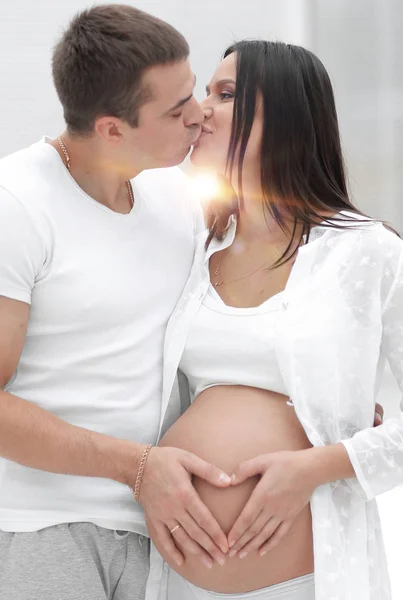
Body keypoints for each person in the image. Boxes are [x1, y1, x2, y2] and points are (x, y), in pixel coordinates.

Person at [143, 41, 403, 600]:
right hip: (176, 579)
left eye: (226, 94)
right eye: (204, 92)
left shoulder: (369, 252)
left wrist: (317, 467)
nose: (201, 109)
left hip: (308, 579)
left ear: (286, 114)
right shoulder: (192, 250)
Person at [0, 5, 237, 599]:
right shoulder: (18, 206)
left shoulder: (175, 196)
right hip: (43, 529)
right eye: (176, 108)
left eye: (196, 92)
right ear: (111, 128)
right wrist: (133, 467)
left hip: (161, 529)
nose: (199, 115)